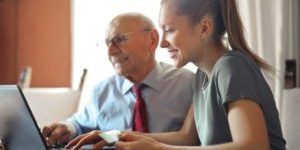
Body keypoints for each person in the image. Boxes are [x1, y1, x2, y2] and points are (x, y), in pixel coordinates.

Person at [65, 0, 287, 150]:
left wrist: (159, 149)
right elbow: (187, 137)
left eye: (170, 30)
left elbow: (253, 145)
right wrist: (114, 135)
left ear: (204, 28)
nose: (161, 43)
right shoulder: (202, 75)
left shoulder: (231, 67)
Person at [42, 12, 195, 147]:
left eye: (119, 40)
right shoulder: (101, 91)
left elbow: (194, 139)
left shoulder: (188, 84)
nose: (110, 51)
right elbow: (80, 124)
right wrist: (67, 128)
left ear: (152, 40)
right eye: (108, 43)